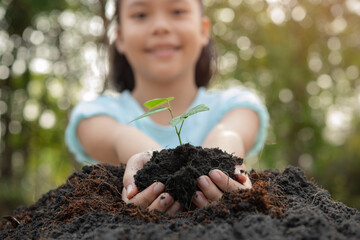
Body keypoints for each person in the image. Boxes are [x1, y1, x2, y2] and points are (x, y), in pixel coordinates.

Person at [65, 0, 269, 215]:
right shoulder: (96, 115)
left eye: (178, 11)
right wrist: (153, 167)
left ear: (203, 30)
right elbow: (120, 136)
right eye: (141, 15)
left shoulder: (236, 106)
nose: (160, 26)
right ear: (120, 37)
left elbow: (230, 134)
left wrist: (222, 171)